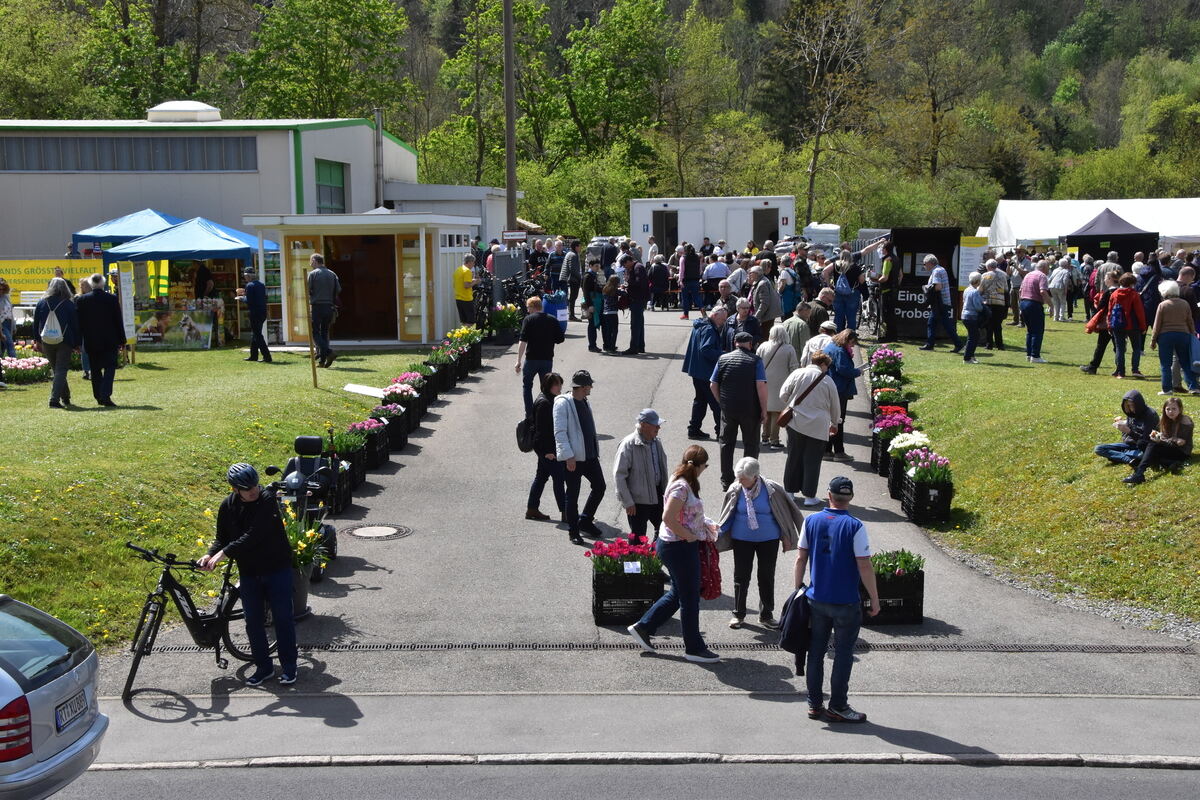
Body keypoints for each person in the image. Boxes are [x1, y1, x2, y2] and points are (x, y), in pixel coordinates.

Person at [199, 463, 299, 687]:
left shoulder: (266, 501)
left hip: (277, 568)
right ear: (235, 489)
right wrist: (209, 555)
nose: (253, 490)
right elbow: (221, 538)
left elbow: (254, 535)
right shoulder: (227, 506)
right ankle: (263, 667)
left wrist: (223, 554)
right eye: (247, 488)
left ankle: (290, 667)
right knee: (252, 621)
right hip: (250, 572)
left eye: (254, 485)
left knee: (283, 619)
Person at [794, 476, 880, 723]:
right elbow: (864, 565)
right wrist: (874, 598)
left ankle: (814, 704)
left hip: (816, 599)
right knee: (843, 654)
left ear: (828, 495)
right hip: (846, 602)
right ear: (850, 498)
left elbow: (801, 558)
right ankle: (838, 706)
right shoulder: (855, 526)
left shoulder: (810, 521)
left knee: (816, 652)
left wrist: (798, 589)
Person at [626, 445, 720, 663]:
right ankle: (694, 648)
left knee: (678, 593)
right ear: (698, 465)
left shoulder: (683, 482)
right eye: (705, 465)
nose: (705, 469)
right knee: (689, 598)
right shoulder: (681, 487)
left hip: (675, 546)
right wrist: (689, 536)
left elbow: (685, 514)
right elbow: (668, 518)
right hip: (679, 548)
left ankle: (643, 627)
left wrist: (703, 525)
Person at [717, 457, 803, 629]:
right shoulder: (736, 489)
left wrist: (792, 535)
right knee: (741, 576)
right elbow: (727, 515)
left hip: (768, 540)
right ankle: (738, 614)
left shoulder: (772, 489)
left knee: (766, 576)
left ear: (755, 476)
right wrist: (715, 532)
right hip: (742, 539)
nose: (739, 481)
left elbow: (788, 511)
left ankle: (766, 615)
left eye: (743, 478)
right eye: (738, 477)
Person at [779, 351, 840, 506]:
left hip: (796, 421)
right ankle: (809, 496)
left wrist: (792, 403)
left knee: (793, 456)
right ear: (824, 364)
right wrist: (834, 423)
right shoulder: (828, 381)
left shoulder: (798, 373)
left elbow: (783, 394)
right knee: (812, 460)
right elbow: (835, 406)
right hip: (818, 425)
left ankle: (789, 492)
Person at [554, 370, 606, 544]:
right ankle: (573, 531)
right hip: (573, 458)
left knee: (600, 487)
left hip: (590, 456)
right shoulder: (563, 404)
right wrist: (568, 456)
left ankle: (585, 520)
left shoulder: (584, 400)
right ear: (582, 387)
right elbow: (560, 432)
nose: (591, 387)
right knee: (573, 495)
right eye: (589, 385)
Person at [711, 331, 768, 491]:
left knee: (726, 443)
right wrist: (764, 410)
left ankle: (726, 480)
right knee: (751, 444)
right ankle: (748, 480)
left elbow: (713, 384)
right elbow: (760, 386)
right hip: (751, 409)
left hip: (729, 409)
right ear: (750, 344)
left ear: (735, 342)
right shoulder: (756, 361)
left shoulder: (722, 359)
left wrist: (721, 402)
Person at [613, 408, 669, 540]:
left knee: (664, 530)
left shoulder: (657, 442)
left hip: (657, 494)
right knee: (637, 539)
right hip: (637, 502)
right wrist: (627, 502)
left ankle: (655, 558)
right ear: (643, 425)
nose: (659, 428)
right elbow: (619, 476)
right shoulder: (628, 444)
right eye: (655, 425)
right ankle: (636, 561)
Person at [74, 273, 124, 407]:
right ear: (103, 283)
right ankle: (105, 394)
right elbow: (118, 320)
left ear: (91, 284)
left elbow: (78, 323)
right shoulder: (112, 299)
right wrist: (122, 340)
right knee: (110, 367)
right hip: (110, 339)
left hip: (91, 340)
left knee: (95, 369)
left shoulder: (82, 300)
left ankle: (98, 395)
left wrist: (78, 341)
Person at [32, 277, 81, 408]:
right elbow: (75, 325)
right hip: (65, 340)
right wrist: (77, 343)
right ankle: (54, 400)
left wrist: (37, 340)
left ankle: (65, 396)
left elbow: (36, 323)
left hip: (46, 340)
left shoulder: (41, 302)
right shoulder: (68, 304)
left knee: (57, 369)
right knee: (61, 370)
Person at [683, 305, 729, 440]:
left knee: (700, 401)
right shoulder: (709, 329)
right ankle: (721, 432)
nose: (724, 322)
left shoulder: (700, 325)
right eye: (722, 319)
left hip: (696, 370)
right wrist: (723, 354)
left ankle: (694, 429)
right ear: (714, 316)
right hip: (705, 372)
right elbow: (706, 350)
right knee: (716, 403)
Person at [515, 296, 565, 418]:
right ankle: (547, 412)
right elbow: (560, 339)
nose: (527, 310)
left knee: (527, 386)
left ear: (533, 307)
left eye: (528, 307)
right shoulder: (552, 320)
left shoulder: (528, 320)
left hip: (531, 359)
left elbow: (523, 341)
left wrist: (518, 361)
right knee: (547, 388)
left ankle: (529, 413)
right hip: (547, 359)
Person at [1124, 397, 1193, 484]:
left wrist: (1162, 441)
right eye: (1168, 409)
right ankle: (1169, 463)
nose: (1171, 412)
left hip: (1181, 452)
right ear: (1164, 410)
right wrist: (1158, 436)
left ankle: (1139, 473)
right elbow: (1163, 436)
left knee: (1153, 444)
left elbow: (1180, 443)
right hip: (1168, 447)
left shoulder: (1185, 421)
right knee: (1141, 443)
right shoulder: (1164, 419)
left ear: (1180, 409)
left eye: (1174, 409)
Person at [526, 372, 567, 521]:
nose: (559, 387)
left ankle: (532, 508)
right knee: (559, 477)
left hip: (545, 447)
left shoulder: (549, 399)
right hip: (546, 448)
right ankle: (565, 511)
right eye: (556, 384)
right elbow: (542, 431)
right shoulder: (545, 403)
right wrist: (548, 452)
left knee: (542, 476)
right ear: (548, 386)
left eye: (560, 384)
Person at [1149, 280, 1200, 395]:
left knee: (1165, 364)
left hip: (1166, 336)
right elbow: (1190, 321)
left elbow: (1157, 324)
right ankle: (1193, 387)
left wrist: (1153, 340)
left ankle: (1167, 389)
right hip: (1183, 335)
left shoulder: (1163, 305)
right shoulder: (1185, 304)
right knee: (1186, 363)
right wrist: (1192, 334)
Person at [757, 325, 800, 448]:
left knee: (766, 410)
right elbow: (794, 368)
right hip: (781, 384)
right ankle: (774, 440)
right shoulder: (789, 349)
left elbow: (757, 363)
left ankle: (764, 437)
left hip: (764, 383)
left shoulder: (763, 346)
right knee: (776, 412)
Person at [823, 329, 861, 460]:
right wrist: (857, 372)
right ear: (847, 340)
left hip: (830, 387)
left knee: (831, 419)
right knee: (838, 420)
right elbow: (844, 369)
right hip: (839, 389)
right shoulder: (840, 351)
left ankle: (826, 450)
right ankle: (839, 452)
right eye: (852, 343)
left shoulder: (831, 346)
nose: (853, 346)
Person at [1094, 390, 1159, 465]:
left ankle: (1121, 456)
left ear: (1139, 403)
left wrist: (1129, 432)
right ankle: (1128, 459)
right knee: (1099, 448)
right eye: (1128, 406)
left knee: (1145, 455)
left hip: (1144, 448)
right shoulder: (1131, 414)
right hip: (1130, 445)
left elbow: (1145, 441)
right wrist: (1122, 424)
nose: (1131, 408)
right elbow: (1127, 436)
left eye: (1132, 405)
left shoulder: (1150, 415)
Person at [1107, 273, 1148, 378]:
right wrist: (1143, 326)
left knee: (1120, 348)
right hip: (1133, 325)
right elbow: (1140, 312)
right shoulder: (1134, 295)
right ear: (1132, 283)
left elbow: (1110, 311)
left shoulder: (1114, 294)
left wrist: (1109, 325)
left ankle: (1120, 371)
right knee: (1136, 348)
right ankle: (1135, 369)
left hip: (1118, 324)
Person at [919, 255, 961, 352]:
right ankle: (931, 344)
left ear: (930, 263)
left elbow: (938, 287)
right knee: (936, 323)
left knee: (939, 324)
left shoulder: (936, 271)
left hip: (940, 302)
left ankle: (957, 344)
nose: (924, 266)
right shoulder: (940, 269)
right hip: (942, 302)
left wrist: (926, 287)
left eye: (925, 264)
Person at [1081, 270, 1120, 375]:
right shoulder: (1120, 291)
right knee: (1118, 347)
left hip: (1107, 323)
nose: (1104, 280)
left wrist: (1097, 303)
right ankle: (1120, 368)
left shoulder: (1108, 293)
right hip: (1119, 323)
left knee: (1101, 346)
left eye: (1106, 278)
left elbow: (1100, 307)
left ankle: (1093, 367)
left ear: (1111, 279)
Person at [306, 253, 341, 368]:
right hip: (329, 307)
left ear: (315, 261)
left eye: (311, 261)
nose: (310, 263)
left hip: (317, 306)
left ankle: (329, 352)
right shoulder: (332, 274)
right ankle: (322, 362)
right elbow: (338, 290)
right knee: (324, 333)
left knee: (315, 332)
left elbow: (308, 290)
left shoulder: (313, 274)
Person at [1018, 259, 1052, 363]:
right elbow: (1042, 291)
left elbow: (1020, 290)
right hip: (1034, 303)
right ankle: (1035, 356)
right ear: (1044, 268)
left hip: (1023, 302)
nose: (1048, 270)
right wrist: (1051, 305)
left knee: (1030, 331)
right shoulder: (1042, 276)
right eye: (1048, 268)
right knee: (1037, 331)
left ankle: (1029, 355)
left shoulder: (1028, 275)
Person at [238, 267, 271, 363]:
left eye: (245, 276)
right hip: (262, 312)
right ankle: (253, 355)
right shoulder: (261, 285)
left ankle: (267, 356)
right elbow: (264, 297)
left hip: (255, 313)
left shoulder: (249, 285)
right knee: (255, 334)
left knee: (257, 335)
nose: (245, 278)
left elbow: (249, 301)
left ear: (248, 276)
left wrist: (241, 298)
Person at [979, 258, 1009, 350]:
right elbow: (1006, 290)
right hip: (1000, 303)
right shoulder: (1003, 275)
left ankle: (989, 344)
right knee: (998, 324)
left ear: (988, 267)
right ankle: (1000, 345)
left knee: (989, 324)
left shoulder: (984, 275)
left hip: (988, 302)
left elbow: (980, 289)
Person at [623, 255, 649, 354]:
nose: (626, 268)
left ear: (629, 261)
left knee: (635, 325)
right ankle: (640, 346)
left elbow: (639, 282)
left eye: (625, 265)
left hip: (638, 299)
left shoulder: (638, 267)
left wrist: (628, 282)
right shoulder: (637, 267)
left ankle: (634, 348)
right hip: (639, 298)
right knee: (639, 324)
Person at [960, 272, 986, 364]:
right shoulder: (975, 292)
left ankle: (971, 355)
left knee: (972, 336)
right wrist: (983, 305)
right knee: (974, 337)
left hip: (964, 315)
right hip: (971, 316)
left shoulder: (966, 289)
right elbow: (978, 307)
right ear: (978, 281)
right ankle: (967, 358)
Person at [581, 258, 604, 353]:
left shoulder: (594, 275)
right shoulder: (588, 276)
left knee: (593, 324)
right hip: (591, 302)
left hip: (595, 302)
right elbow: (585, 291)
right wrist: (590, 305)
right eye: (596, 266)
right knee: (592, 325)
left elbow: (595, 288)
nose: (597, 268)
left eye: (598, 266)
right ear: (590, 266)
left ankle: (593, 345)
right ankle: (592, 345)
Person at [679, 243, 703, 319]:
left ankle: (686, 315)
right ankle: (703, 312)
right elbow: (700, 270)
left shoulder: (683, 258)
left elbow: (681, 271)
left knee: (685, 298)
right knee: (696, 297)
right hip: (695, 280)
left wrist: (680, 280)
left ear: (684, 250)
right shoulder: (697, 257)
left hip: (686, 280)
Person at [454, 253, 480, 324]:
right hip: (466, 298)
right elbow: (466, 285)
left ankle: (463, 334)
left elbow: (462, 283)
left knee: (464, 321)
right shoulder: (467, 271)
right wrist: (476, 281)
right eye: (473, 262)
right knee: (470, 322)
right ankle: (467, 335)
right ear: (470, 262)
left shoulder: (458, 270)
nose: (474, 264)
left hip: (458, 298)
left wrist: (472, 281)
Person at [560, 240, 583, 321]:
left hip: (571, 278)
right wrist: (580, 277)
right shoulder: (573, 255)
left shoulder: (571, 253)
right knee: (573, 297)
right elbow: (572, 269)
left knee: (572, 297)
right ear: (576, 247)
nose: (581, 248)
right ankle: (571, 315)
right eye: (580, 246)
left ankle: (571, 315)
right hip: (573, 279)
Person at [1048, 257, 1073, 322]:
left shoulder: (1055, 270)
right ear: (1065, 265)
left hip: (1052, 287)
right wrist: (1066, 290)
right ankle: (1061, 317)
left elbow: (1050, 279)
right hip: (1060, 287)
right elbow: (1065, 281)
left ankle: (1055, 317)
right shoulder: (1066, 271)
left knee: (1056, 303)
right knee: (1063, 302)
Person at [600, 274, 621, 353]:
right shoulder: (614, 290)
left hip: (605, 312)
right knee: (614, 331)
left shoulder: (605, 288)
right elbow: (624, 294)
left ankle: (607, 346)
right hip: (613, 312)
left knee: (608, 331)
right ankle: (612, 348)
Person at [0, 278, 14, 358]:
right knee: (10, 344)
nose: (1, 291)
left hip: (8, 322)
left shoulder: (6, 296)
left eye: (3, 288)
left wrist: (14, 326)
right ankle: (15, 365)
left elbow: (11, 311)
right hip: (1, 324)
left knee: (3, 346)